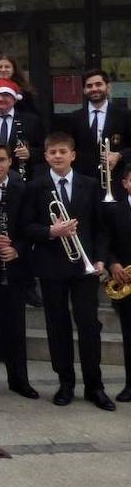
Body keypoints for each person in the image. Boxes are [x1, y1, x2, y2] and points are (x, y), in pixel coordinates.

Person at [23, 131, 114, 411]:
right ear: (46, 156)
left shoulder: (90, 185)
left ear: (73, 155)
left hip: (84, 267)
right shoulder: (36, 187)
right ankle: (65, 383)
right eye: (52, 153)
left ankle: (94, 386)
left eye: (63, 152)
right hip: (52, 268)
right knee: (57, 325)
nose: (58, 156)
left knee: (88, 326)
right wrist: (51, 230)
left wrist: (100, 259)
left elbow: (100, 228)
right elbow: (26, 227)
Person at [0, 142, 39, 400]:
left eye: (2, 160)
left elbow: (29, 227)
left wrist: (17, 250)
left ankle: (19, 380)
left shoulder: (21, 188)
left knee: (15, 328)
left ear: (10, 161)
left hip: (13, 268)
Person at [66, 69, 129, 186]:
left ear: (108, 87)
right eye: (89, 86)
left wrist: (119, 155)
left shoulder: (124, 115)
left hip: (116, 182)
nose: (94, 89)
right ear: (84, 90)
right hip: (83, 183)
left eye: (98, 84)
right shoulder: (73, 118)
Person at [105, 167, 131, 403]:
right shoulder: (115, 211)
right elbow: (106, 242)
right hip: (125, 278)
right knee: (129, 335)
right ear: (125, 183)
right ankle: (130, 385)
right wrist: (113, 264)